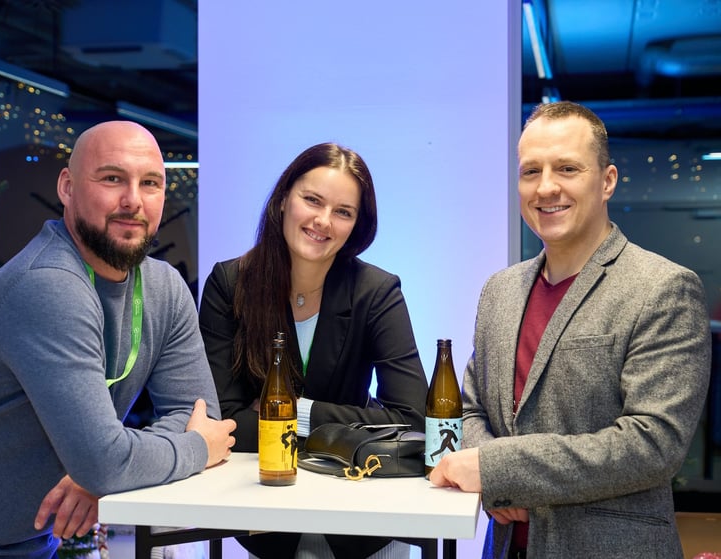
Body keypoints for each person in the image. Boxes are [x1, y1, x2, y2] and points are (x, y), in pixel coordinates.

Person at [0, 121, 236, 558]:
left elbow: (199, 412)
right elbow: (155, 447)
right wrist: (185, 450)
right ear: (67, 187)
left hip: (23, 543)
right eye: (112, 178)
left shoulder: (164, 287)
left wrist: (112, 468)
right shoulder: (48, 283)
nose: (133, 200)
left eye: (150, 183)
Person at [429, 101, 711, 558]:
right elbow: (471, 409)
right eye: (530, 171)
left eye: (567, 168)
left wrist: (499, 471)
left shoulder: (662, 288)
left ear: (607, 181)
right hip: (506, 548)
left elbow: (652, 443)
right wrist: (496, 479)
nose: (546, 187)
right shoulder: (499, 291)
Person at [199, 142, 428, 559]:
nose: (323, 221)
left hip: (365, 522)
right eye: (312, 200)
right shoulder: (229, 284)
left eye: (343, 212)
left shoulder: (377, 291)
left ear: (357, 225)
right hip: (266, 522)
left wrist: (292, 412)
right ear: (283, 199)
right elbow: (226, 424)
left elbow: (411, 418)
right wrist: (353, 427)